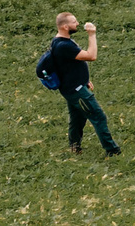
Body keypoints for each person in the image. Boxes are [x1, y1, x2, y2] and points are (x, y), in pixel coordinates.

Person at [43, 12, 119, 157]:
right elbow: (92, 56)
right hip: (76, 91)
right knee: (98, 116)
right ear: (65, 26)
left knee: (77, 118)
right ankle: (112, 150)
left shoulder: (59, 41)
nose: (77, 23)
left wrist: (84, 80)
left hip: (73, 87)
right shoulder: (64, 45)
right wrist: (92, 34)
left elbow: (68, 66)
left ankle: (74, 147)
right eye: (74, 22)